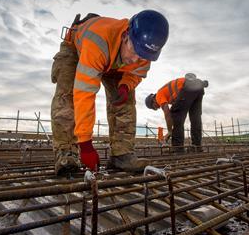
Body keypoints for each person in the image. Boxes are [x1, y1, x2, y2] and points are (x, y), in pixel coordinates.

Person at [51, 10, 169, 175]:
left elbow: (136, 73)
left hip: (113, 58)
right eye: (134, 51)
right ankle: (66, 154)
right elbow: (84, 93)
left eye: (142, 55)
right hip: (75, 49)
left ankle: (122, 154)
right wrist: (85, 144)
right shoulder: (98, 42)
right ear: (125, 35)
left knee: (125, 98)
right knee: (67, 96)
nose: (135, 59)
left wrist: (125, 85)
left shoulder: (145, 52)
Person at [145, 73, 208, 153]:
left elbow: (167, 114)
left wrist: (170, 131)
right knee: (195, 117)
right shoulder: (170, 94)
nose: (157, 108)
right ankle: (197, 146)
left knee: (175, 114)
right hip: (199, 86)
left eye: (155, 107)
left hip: (187, 87)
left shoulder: (158, 95)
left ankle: (177, 147)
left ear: (153, 100)